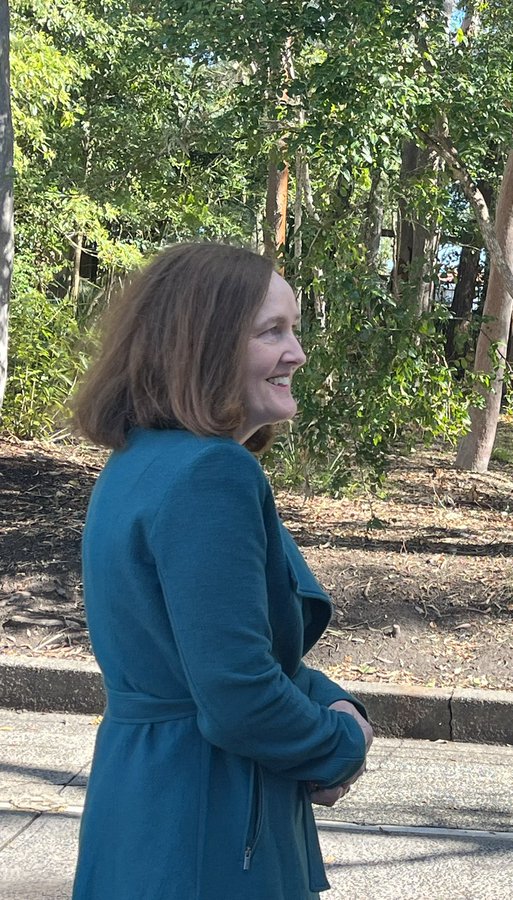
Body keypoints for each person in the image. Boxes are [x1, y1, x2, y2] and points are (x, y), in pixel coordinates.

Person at [69, 243, 373, 899]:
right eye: (272, 332)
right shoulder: (212, 473)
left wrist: (325, 696)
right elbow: (237, 693)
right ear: (204, 344)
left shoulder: (139, 461)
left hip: (143, 801)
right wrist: (340, 744)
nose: (297, 353)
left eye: (294, 329)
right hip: (208, 817)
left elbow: (199, 653)